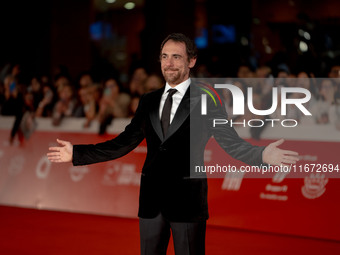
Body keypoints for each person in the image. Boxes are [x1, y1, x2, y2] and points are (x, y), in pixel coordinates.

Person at [47, 33, 299, 255]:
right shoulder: (148, 100)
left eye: (176, 57)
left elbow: (230, 143)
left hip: (187, 202)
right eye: (165, 56)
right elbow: (123, 143)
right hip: (151, 201)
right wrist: (77, 153)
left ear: (191, 61)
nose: (169, 63)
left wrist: (261, 155)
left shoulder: (207, 99)